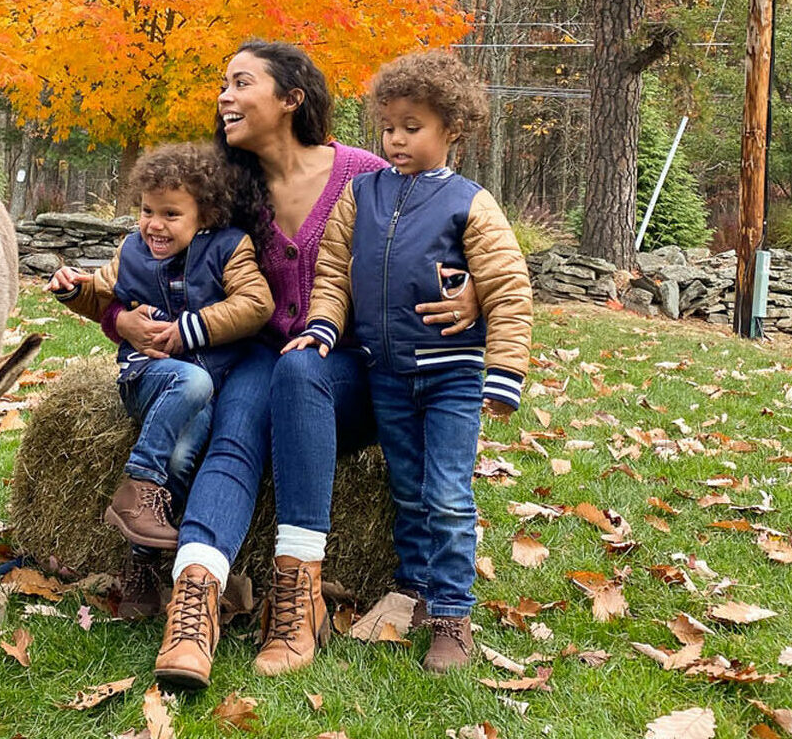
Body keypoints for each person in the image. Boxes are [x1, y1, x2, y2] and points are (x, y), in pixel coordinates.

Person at [114, 41, 484, 690]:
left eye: (241, 82)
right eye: (221, 83)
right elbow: (150, 267)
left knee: (299, 371)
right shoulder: (229, 194)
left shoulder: (368, 173)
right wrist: (115, 318)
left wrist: (476, 287)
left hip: (357, 372)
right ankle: (195, 605)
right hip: (262, 359)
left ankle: (297, 591)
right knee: (236, 429)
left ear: (292, 97)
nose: (224, 95)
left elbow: (463, 224)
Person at [284, 49, 533, 672]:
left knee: (447, 493)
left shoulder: (470, 204)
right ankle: (413, 588)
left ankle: (453, 613)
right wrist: (322, 325)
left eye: (412, 127)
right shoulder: (360, 194)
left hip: (449, 376)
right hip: (385, 374)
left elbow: (506, 285)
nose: (396, 139)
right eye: (388, 126)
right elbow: (335, 271)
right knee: (406, 486)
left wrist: (504, 373)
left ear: (452, 128)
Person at [48, 144, 273, 553]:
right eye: (148, 211)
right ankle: (138, 479)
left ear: (204, 215)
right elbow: (99, 295)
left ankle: (144, 554)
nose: (155, 225)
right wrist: (72, 289)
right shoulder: (131, 251)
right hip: (147, 379)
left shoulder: (228, 248)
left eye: (171, 214)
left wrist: (192, 329)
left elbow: (257, 303)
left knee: (181, 455)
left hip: (206, 388)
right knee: (191, 380)